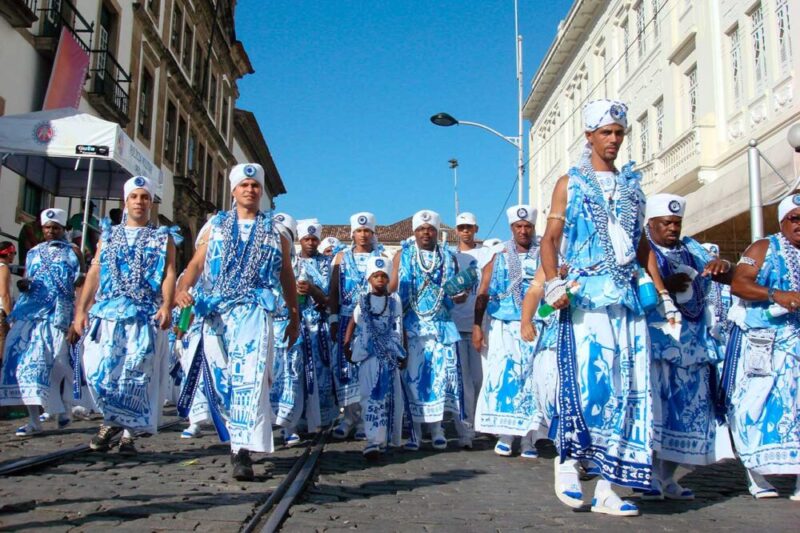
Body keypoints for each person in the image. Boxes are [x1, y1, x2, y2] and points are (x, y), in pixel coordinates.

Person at [539, 99, 665, 516]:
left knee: (629, 389)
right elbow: (550, 239)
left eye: (619, 133)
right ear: (589, 136)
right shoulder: (570, 183)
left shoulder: (633, 187)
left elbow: (644, 247)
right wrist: (554, 281)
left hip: (627, 299)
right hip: (586, 296)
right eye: (606, 132)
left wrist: (661, 296)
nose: (613, 140)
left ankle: (612, 489)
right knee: (590, 382)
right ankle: (569, 463)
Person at [175, 163, 299, 481]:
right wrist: (182, 289)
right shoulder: (214, 227)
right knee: (222, 381)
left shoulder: (276, 231)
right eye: (244, 185)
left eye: (255, 186)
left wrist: (294, 313)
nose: (250, 190)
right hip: (216, 313)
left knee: (251, 378)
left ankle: (241, 450)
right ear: (233, 191)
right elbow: (196, 263)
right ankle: (235, 439)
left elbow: (286, 273)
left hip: (255, 311)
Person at [74, 177, 179, 455]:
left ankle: (125, 431)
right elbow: (94, 273)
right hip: (107, 313)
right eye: (135, 197)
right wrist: (81, 310)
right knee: (99, 370)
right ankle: (112, 418)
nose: (139, 202)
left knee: (136, 373)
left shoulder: (162, 237)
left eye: (145, 197)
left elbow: (169, 273)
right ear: (126, 201)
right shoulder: (108, 236)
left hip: (144, 314)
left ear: (150, 202)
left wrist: (167, 304)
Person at [644, 194, 734, 500]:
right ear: (651, 224)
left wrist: (723, 264)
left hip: (694, 347)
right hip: (659, 345)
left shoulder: (690, 248)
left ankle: (668, 477)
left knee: (687, 414)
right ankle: (649, 477)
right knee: (657, 413)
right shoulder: (643, 249)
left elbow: (720, 268)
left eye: (676, 223)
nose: (672, 228)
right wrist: (663, 288)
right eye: (666, 223)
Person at [722, 193, 800, 501]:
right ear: (782, 222)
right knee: (754, 407)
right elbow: (739, 283)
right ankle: (756, 474)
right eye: (795, 219)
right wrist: (776, 295)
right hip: (765, 343)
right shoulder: (764, 248)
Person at [0, 210, 83, 435]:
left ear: (63, 228)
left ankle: (66, 406)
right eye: (47, 227)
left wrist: (78, 316)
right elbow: (29, 276)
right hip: (32, 313)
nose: (50, 231)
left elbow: (80, 284)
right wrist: (25, 285)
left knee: (60, 360)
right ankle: (34, 419)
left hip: (59, 314)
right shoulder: (33, 252)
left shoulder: (73, 252)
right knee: (27, 364)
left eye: (55, 227)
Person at [473, 205, 546, 458]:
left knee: (531, 380)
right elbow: (483, 291)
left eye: (527, 226)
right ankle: (505, 434)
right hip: (503, 324)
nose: (523, 230)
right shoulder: (499, 255)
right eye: (519, 227)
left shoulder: (544, 255)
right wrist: (477, 327)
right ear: (512, 228)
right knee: (504, 377)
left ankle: (528, 439)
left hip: (536, 325)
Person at [390, 209, 465, 451]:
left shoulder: (448, 257)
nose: (426, 233)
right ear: (414, 232)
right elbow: (393, 289)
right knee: (413, 379)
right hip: (412, 327)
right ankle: (415, 430)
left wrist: (459, 296)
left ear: (437, 232)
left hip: (441, 326)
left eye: (430, 229)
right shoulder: (403, 255)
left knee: (440, 378)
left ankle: (437, 428)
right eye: (421, 229)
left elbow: (453, 292)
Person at [328, 212, 385, 440]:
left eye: (367, 231)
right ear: (353, 233)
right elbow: (333, 290)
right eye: (359, 231)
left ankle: (365, 420)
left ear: (373, 233)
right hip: (344, 319)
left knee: (368, 370)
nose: (363, 235)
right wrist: (332, 318)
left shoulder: (381, 257)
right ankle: (349, 417)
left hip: (371, 322)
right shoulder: (341, 257)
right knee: (345, 369)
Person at [344, 256, 407, 459]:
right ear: (369, 279)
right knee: (369, 396)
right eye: (375, 276)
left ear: (388, 279)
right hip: (368, 355)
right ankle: (372, 440)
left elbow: (400, 324)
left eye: (383, 276)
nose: (379, 279)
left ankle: (385, 438)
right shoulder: (363, 299)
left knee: (389, 397)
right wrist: (346, 345)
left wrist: (402, 351)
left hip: (389, 356)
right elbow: (353, 323)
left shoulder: (394, 300)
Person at [450, 212, 489, 449]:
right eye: (462, 227)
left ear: (476, 229)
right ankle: (466, 430)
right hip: (456, 326)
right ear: (456, 230)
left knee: (480, 379)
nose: (466, 231)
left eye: (469, 227)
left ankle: (484, 423)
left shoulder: (487, 255)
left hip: (481, 326)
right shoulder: (450, 257)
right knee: (462, 382)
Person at [0, 242, 17, 362]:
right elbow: (4, 294)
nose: (14, 256)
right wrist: (10, 316)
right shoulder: (3, 268)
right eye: (14, 253)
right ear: (8, 253)